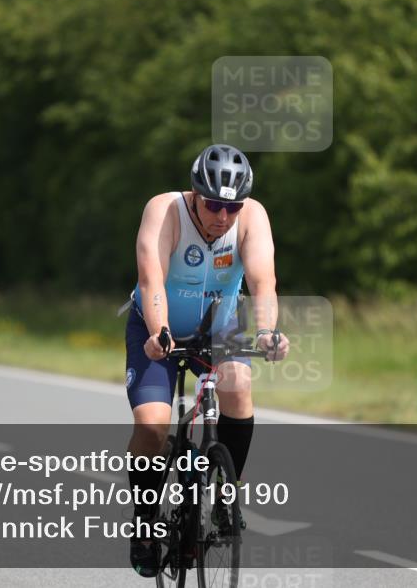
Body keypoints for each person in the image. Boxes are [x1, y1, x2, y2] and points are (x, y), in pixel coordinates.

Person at [124, 144, 290, 577]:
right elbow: (151, 277)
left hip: (220, 326)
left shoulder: (253, 217)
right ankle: (144, 523)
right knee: (152, 425)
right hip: (156, 328)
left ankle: (226, 493)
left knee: (237, 387)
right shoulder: (165, 210)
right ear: (195, 194)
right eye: (214, 204)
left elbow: (263, 281)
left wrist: (269, 330)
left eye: (232, 206)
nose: (223, 215)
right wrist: (160, 330)